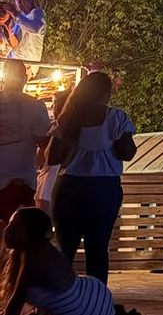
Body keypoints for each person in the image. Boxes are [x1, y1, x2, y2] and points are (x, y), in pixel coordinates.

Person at [46, 72, 136, 285]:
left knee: (65, 248)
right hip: (104, 187)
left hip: (69, 187)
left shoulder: (68, 118)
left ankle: (60, 295)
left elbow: (52, 158)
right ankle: (97, 297)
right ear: (105, 94)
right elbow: (127, 153)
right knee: (97, 248)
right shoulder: (116, 118)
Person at [2, 207, 115, 315]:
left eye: (14, 226)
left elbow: (13, 307)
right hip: (92, 294)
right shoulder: (35, 251)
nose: (6, 230)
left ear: (30, 231)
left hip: (88, 308)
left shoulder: (34, 257)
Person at [0, 60, 51, 225]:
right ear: (25, 78)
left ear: (4, 77)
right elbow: (44, 142)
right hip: (24, 181)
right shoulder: (35, 105)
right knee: (22, 232)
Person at [1, 0, 46, 74]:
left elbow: (36, 28)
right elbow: (15, 44)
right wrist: (10, 31)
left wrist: (15, 14)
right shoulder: (19, 18)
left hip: (27, 66)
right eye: (17, 1)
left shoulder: (38, 13)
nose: (19, 3)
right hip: (13, 63)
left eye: (22, 0)